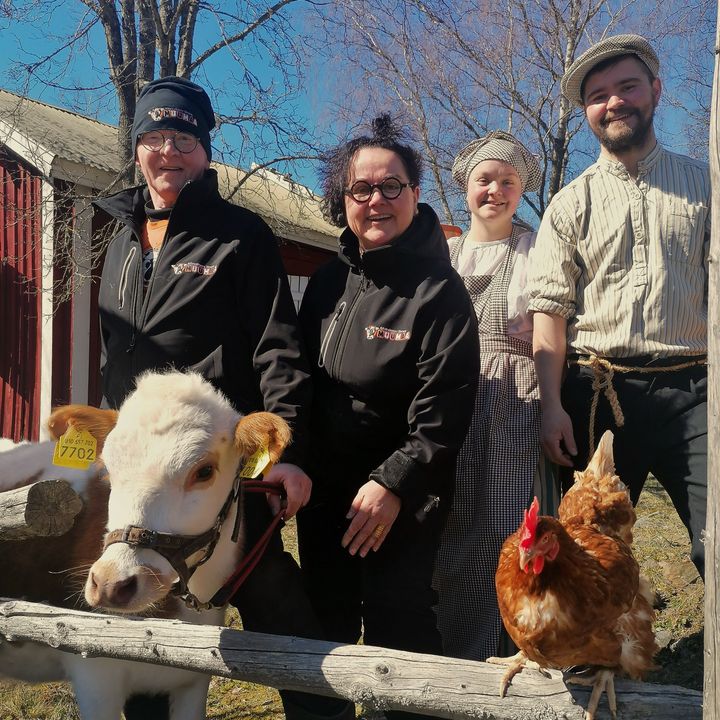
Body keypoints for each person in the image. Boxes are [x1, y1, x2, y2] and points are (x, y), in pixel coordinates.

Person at [94, 76, 353, 720]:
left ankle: (319, 709)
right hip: (146, 478)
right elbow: (112, 355)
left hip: (216, 464)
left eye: (183, 136)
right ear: (137, 149)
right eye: (154, 135)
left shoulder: (241, 235)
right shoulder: (121, 238)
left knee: (270, 599)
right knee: (149, 616)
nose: (168, 150)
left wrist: (285, 451)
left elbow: (277, 348)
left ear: (205, 148)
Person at [296, 115, 479, 720]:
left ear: (416, 193)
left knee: (399, 640)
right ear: (343, 200)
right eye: (361, 190)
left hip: (403, 500)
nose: (377, 200)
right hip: (325, 501)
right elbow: (300, 383)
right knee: (321, 638)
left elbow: (444, 411)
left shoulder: (440, 293)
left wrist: (393, 484)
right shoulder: (326, 283)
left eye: (391, 186)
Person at [527, 34, 710, 579]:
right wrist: (551, 404)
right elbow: (549, 311)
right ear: (587, 113)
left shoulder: (707, 185)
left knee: (717, 540)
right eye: (599, 95)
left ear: (655, 90)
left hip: (696, 390)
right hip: (597, 392)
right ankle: (595, 667)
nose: (614, 102)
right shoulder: (568, 203)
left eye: (627, 86)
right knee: (587, 556)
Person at [433, 131, 548, 661]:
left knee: (501, 537)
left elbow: (548, 327)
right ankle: (446, 655)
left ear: (521, 188)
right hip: (448, 398)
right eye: (485, 180)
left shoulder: (532, 250)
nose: (495, 191)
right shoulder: (445, 251)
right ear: (466, 186)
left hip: (509, 409)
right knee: (447, 531)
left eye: (508, 181)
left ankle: (497, 654)